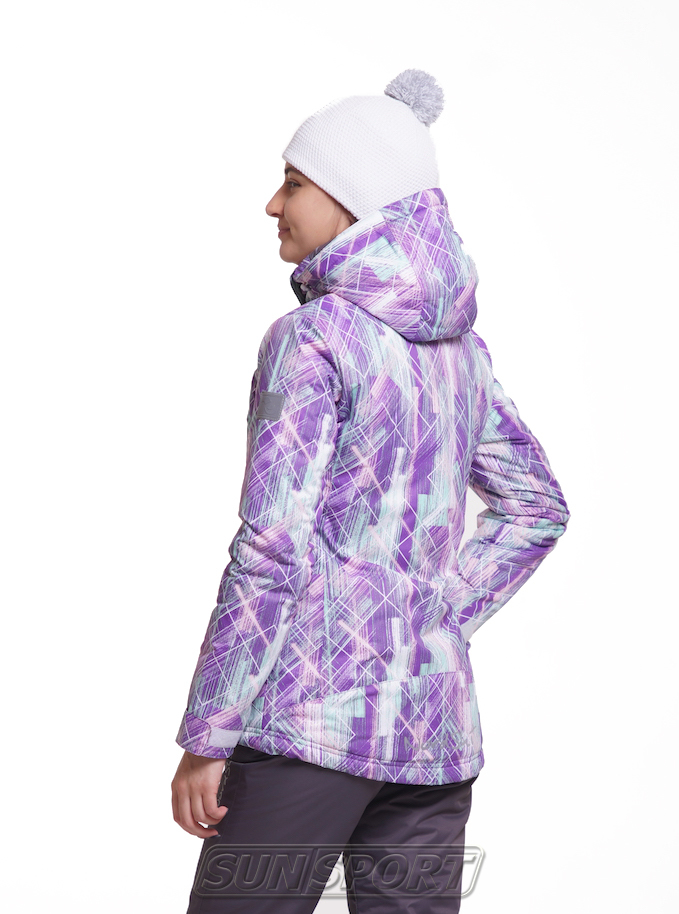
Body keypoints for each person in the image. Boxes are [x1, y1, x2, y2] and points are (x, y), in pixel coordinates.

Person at [171, 69, 570, 913]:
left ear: (353, 198)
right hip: (434, 731)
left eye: (292, 183)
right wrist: (430, 617)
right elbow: (534, 506)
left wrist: (209, 731)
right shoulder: (462, 353)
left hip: (308, 724)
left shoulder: (310, 340)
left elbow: (270, 543)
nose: (272, 205)